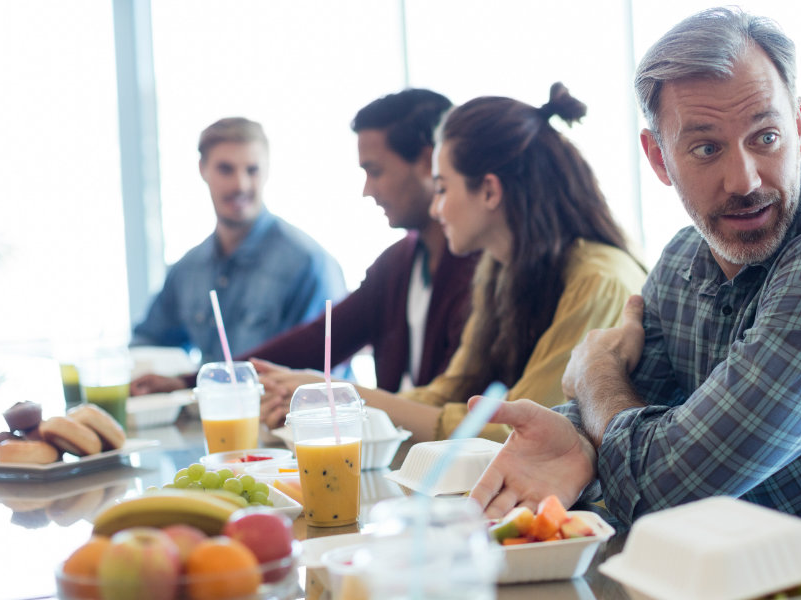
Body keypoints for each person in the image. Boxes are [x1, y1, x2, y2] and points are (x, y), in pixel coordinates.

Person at [469, 8, 801, 597]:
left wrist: (595, 378)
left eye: (765, 137)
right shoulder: (684, 260)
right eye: (705, 149)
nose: (744, 178)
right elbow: (642, 434)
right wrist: (576, 437)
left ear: (800, 125)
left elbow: (673, 485)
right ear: (657, 158)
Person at [271, 83, 647, 443]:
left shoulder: (600, 280)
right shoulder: (499, 270)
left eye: (442, 189)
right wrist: (337, 396)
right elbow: (448, 394)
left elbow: (519, 427)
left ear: (488, 190)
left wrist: (347, 396)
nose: (437, 207)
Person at [131, 91, 480, 431]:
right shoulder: (397, 264)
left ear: (427, 162)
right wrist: (192, 381)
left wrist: (330, 395)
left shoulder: (480, 271)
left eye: (374, 171)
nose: (367, 190)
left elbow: (450, 405)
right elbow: (312, 342)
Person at [130, 117, 347, 365]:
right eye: (226, 169)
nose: (240, 184)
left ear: (267, 171)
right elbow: (146, 344)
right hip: (208, 403)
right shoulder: (188, 269)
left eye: (252, 170)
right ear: (203, 169)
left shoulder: (307, 264)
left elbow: (321, 379)